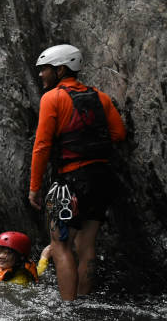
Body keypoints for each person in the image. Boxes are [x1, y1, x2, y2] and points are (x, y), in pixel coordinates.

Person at [28, 44, 126, 300]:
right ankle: (84, 301)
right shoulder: (101, 97)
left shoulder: (52, 98)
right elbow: (118, 134)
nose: (41, 75)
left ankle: (68, 306)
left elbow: (42, 145)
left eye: (45, 70)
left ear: (60, 70)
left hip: (70, 180)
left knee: (61, 245)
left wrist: (35, 186)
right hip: (102, 178)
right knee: (87, 244)